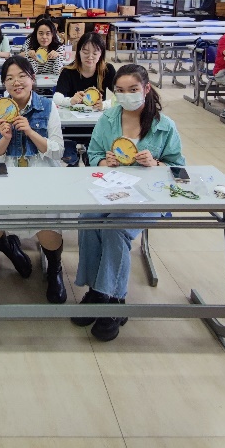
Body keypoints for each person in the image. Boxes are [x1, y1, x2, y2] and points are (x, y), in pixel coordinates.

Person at [76, 63, 185, 341]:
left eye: (133, 89)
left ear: (146, 89)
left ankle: (114, 299)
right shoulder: (107, 119)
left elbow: (179, 170)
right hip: (109, 189)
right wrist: (104, 161)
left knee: (115, 228)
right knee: (88, 219)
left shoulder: (164, 126)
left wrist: (156, 163)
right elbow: (93, 154)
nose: (127, 96)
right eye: (121, 91)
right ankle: (96, 290)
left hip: (148, 196)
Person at [0, 56, 67, 303]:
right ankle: (12, 250)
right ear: (4, 83)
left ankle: (55, 268)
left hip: (42, 170)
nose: (16, 82)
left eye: (22, 76)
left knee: (47, 229)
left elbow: (58, 151)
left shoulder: (48, 106)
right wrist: (6, 139)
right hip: (8, 170)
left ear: (32, 78)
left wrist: (30, 131)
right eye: (9, 78)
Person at [53, 31, 116, 165]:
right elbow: (57, 97)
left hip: (97, 125)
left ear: (101, 54)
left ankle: (90, 155)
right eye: (85, 52)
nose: (90, 57)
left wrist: (105, 104)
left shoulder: (107, 70)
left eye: (95, 53)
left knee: (94, 160)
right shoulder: (68, 71)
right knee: (70, 159)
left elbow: (121, 96)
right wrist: (70, 100)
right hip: (70, 125)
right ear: (79, 52)